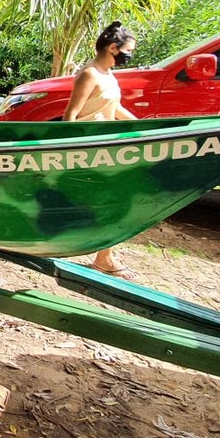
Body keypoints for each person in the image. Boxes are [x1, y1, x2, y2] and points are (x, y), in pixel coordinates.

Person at [63, 21, 139, 281]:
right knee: (109, 199)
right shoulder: (90, 74)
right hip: (89, 148)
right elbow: (70, 116)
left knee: (115, 199)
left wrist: (144, 129)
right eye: (127, 50)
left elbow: (114, 109)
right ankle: (103, 257)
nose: (129, 56)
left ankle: (104, 256)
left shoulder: (109, 75)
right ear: (112, 47)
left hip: (107, 146)